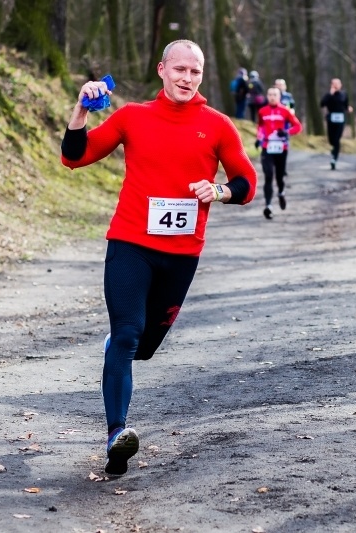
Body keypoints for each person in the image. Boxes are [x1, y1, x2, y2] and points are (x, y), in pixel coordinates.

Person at [60, 40, 257, 476]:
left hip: (181, 256)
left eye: (195, 72)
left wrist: (220, 191)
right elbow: (74, 156)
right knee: (128, 334)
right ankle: (116, 435)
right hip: (130, 244)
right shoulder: (133, 117)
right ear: (162, 70)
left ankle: (119, 348)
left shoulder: (218, 126)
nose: (187, 78)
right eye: (180, 69)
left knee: (142, 347)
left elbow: (246, 181)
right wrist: (81, 111)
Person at [255, 86, 302, 220]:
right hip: (267, 146)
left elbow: (298, 127)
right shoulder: (262, 111)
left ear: (279, 97)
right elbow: (260, 126)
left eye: (275, 95)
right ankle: (268, 206)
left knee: (280, 177)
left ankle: (281, 192)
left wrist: (286, 132)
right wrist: (258, 139)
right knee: (268, 175)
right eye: (269, 95)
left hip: (281, 147)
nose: (272, 97)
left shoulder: (285, 111)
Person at [320, 78, 352, 170]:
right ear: (331, 85)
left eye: (337, 83)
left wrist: (348, 108)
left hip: (341, 119)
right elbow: (322, 104)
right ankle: (334, 149)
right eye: (334, 84)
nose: (336, 85)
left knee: (337, 139)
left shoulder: (344, 94)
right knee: (331, 140)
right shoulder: (328, 95)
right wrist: (330, 94)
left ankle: (334, 159)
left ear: (341, 85)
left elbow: (346, 104)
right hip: (331, 119)